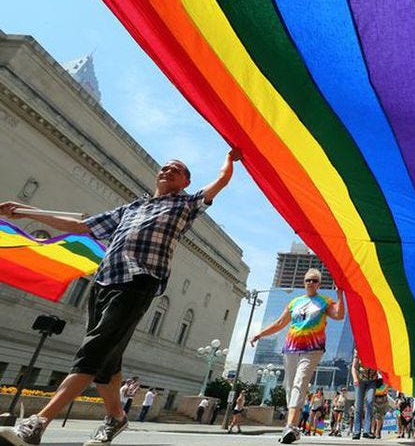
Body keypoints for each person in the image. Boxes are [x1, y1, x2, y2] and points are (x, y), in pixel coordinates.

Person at [0, 150, 241, 446]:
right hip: (104, 281)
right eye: (164, 167)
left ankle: (37, 423)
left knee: (94, 349)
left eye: (176, 170)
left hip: (139, 281)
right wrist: (26, 211)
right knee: (106, 362)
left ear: (185, 181)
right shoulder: (131, 208)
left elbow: (221, 180)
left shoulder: (185, 204)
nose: (167, 170)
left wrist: (230, 157)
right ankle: (116, 417)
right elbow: (81, 226)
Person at [251, 267, 345, 444]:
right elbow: (280, 323)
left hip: (313, 349)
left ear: (319, 284)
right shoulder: (294, 302)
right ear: (304, 282)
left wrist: (340, 294)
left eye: (314, 280)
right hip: (291, 348)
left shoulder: (324, 301)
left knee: (300, 382)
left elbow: (339, 315)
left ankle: (290, 426)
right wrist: (260, 334)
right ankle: (293, 426)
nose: (311, 283)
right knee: (290, 386)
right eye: (308, 280)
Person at [351, 348, 380, 440]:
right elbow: (354, 367)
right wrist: (355, 378)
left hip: (372, 380)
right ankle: (357, 431)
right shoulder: (359, 349)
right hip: (360, 380)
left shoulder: (376, 349)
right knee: (358, 406)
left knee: (370, 402)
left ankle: (367, 431)